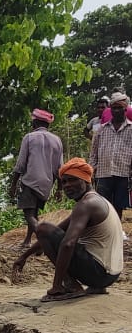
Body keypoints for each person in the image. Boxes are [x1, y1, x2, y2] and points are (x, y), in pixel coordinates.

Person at [12, 158, 123, 302]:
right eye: (64, 182)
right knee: (45, 229)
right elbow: (55, 231)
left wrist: (56, 285)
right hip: (110, 275)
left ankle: (68, 285)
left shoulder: (86, 204)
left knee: (43, 227)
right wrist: (24, 256)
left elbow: (67, 243)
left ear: (86, 180)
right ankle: (93, 286)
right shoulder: (96, 201)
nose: (67, 185)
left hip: (99, 272)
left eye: (72, 180)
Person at [9, 108, 63, 248]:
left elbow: (21, 163)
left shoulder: (29, 137)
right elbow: (60, 168)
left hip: (30, 181)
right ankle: (29, 241)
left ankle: (46, 240)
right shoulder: (57, 140)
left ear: (34, 122)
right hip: (47, 184)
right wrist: (59, 189)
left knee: (28, 214)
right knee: (34, 212)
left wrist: (14, 184)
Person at [89, 91, 132, 222]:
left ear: (125, 110)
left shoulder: (131, 129)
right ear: (110, 109)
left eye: (120, 108)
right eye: (114, 108)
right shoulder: (101, 130)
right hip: (103, 173)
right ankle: (105, 231)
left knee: (119, 206)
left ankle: (117, 230)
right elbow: (93, 153)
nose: (117, 111)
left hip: (123, 173)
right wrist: (91, 170)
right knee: (103, 205)